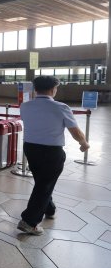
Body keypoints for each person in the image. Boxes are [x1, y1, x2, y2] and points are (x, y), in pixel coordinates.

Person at [18, 76, 89, 235]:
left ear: (36, 89)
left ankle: (49, 209)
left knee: (42, 181)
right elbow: (75, 131)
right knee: (44, 185)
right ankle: (29, 221)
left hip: (30, 148)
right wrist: (84, 143)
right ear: (53, 89)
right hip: (51, 152)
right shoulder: (61, 107)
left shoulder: (25, 106)